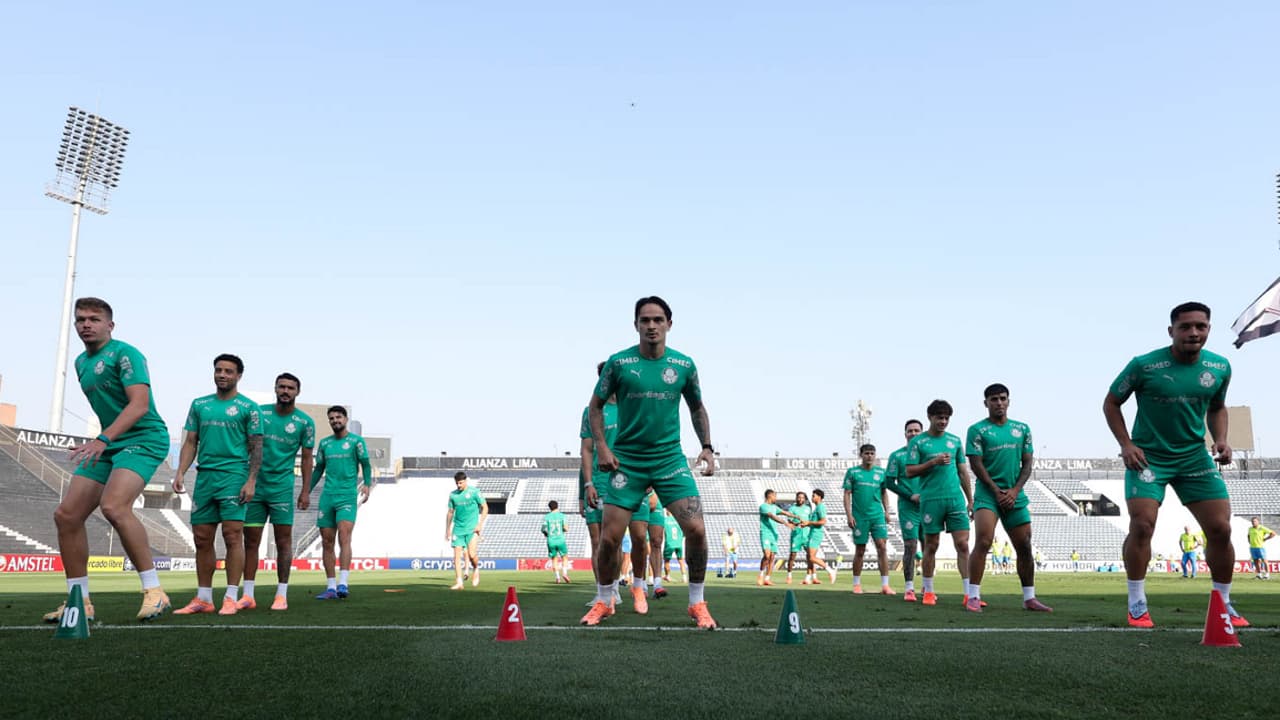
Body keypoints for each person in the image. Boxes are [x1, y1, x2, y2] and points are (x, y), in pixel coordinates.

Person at [1103, 301, 1246, 628]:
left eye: (1201, 326)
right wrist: (1126, 444)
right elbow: (1111, 402)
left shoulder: (1219, 368)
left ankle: (1223, 602)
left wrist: (1220, 438)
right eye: (1185, 327)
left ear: (1208, 329)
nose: (1193, 332)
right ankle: (1137, 601)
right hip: (1149, 457)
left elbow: (1218, 408)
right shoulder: (1144, 365)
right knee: (1142, 525)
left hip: (1194, 457)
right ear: (1172, 331)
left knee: (1221, 529)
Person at [581, 296, 718, 629]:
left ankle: (697, 604)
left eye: (658, 319)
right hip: (627, 461)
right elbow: (595, 407)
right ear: (636, 325)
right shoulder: (619, 363)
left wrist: (707, 446)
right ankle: (604, 600)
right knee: (610, 538)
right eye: (645, 320)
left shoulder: (684, 365)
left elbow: (697, 408)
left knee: (696, 529)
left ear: (669, 324)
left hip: (669, 459)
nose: (652, 325)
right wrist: (603, 447)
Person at [44, 297, 172, 624]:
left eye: (94, 319)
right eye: (80, 320)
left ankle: (155, 592)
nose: (86, 324)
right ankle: (79, 601)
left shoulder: (126, 353)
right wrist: (105, 439)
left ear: (110, 325)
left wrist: (103, 439)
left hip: (143, 437)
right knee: (67, 515)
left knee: (114, 506)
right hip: (110, 441)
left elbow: (139, 405)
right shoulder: (80, 363)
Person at [172, 354, 263, 616]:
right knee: (201, 538)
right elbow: (191, 442)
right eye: (219, 370)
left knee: (233, 536)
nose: (222, 375)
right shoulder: (200, 404)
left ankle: (231, 597)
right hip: (205, 478)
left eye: (228, 371)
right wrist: (180, 472)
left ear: (238, 376)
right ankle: (203, 598)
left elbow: (257, 447)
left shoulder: (249, 408)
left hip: (234, 476)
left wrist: (251, 480)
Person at [964, 383, 1052, 613]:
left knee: (1024, 546)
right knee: (984, 540)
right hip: (987, 494)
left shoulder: (1022, 429)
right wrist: (996, 491)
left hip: (1015, 495)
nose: (999, 403)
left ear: (1009, 401)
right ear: (986, 403)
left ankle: (1029, 598)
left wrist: (1014, 491)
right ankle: (973, 596)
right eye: (994, 399)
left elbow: (1028, 463)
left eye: (1003, 398)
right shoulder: (977, 430)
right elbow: (976, 463)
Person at [239, 372, 315, 611]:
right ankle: (248, 594)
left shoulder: (305, 422)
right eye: (281, 386)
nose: (285, 391)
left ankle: (281, 594)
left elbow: (307, 459)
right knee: (251, 541)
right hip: (255, 487)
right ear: (275, 388)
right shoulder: (259, 413)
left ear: (297, 392)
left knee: (283, 541)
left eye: (290, 388)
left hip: (282, 488)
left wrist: (305, 491)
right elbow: (245, 444)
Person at [905, 399, 973, 607]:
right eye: (939, 417)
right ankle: (928, 591)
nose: (943, 421)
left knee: (962, 544)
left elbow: (963, 471)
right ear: (930, 418)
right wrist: (932, 462)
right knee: (931, 545)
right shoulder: (918, 443)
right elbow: (909, 471)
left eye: (946, 418)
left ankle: (970, 594)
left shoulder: (954, 441)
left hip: (955, 499)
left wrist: (970, 499)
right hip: (931, 499)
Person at [304, 406, 373, 599]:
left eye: (338, 417)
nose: (335, 421)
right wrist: (306, 491)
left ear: (346, 418)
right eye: (332, 418)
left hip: (346, 496)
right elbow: (318, 470)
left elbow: (366, 464)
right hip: (328, 497)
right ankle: (331, 587)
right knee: (327, 542)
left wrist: (367, 484)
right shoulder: (325, 443)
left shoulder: (356, 441)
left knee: (344, 537)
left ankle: (344, 583)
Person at [579, 361, 622, 605]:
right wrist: (586, 486)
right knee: (597, 541)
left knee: (613, 541)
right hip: (596, 484)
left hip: (621, 483)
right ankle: (601, 591)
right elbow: (585, 450)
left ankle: (614, 589)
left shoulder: (628, 408)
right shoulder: (591, 411)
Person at [883, 419, 925, 602]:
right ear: (905, 434)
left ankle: (927, 586)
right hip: (908, 507)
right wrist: (910, 496)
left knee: (930, 546)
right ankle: (909, 588)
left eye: (917, 430)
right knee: (910, 546)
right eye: (910, 431)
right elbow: (889, 482)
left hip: (929, 506)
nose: (913, 434)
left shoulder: (929, 455)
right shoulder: (897, 456)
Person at [843, 444, 894, 595]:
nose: (870, 456)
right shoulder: (853, 472)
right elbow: (847, 494)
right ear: (861, 455)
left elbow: (884, 493)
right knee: (860, 550)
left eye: (872, 453)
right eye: (866, 453)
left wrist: (887, 512)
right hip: (860, 517)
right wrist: (849, 515)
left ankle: (885, 585)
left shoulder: (881, 473)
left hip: (877, 515)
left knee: (882, 547)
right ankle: (856, 584)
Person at [443, 471, 487, 590]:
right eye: (457, 483)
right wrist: (447, 529)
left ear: (466, 481)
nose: (459, 485)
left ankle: (476, 568)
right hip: (458, 529)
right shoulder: (453, 495)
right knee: (456, 557)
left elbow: (485, 507)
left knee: (472, 555)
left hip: (472, 529)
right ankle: (459, 582)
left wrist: (480, 524)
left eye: (461, 483)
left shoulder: (474, 492)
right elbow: (450, 512)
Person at [757, 489, 794, 587]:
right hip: (765, 533)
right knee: (767, 555)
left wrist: (797, 517)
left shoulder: (774, 507)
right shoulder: (763, 507)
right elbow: (772, 516)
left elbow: (785, 513)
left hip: (774, 534)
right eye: (775, 496)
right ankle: (761, 574)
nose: (776, 498)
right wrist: (785, 523)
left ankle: (767, 578)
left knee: (772, 557)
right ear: (770, 496)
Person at [806, 489, 838, 585]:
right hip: (813, 533)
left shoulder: (820, 507)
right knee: (809, 557)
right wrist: (806, 524)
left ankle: (830, 570)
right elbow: (814, 522)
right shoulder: (816, 508)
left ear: (819, 497)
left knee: (811, 557)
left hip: (816, 534)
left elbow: (823, 521)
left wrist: (809, 522)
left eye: (813, 496)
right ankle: (809, 578)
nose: (812, 497)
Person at [541, 500, 571, 583]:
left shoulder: (547, 517)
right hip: (560, 540)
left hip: (551, 540)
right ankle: (564, 573)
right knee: (564, 557)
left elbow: (543, 529)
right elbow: (566, 528)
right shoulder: (562, 516)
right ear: (557, 506)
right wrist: (562, 530)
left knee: (554, 559)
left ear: (549, 508)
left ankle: (557, 577)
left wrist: (546, 534)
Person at [785, 491, 811, 585]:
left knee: (809, 555)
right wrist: (796, 524)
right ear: (796, 498)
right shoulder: (792, 508)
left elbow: (810, 520)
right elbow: (789, 520)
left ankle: (808, 577)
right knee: (792, 555)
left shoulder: (808, 508)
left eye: (802, 497)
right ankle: (789, 575)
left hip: (806, 534)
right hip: (796, 534)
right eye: (799, 497)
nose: (800, 499)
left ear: (804, 499)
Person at [663, 509, 687, 583]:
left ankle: (668, 576)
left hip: (669, 543)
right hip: (679, 543)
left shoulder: (665, 520)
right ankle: (684, 578)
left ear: (668, 511)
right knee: (681, 561)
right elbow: (684, 533)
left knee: (667, 561)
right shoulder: (679, 521)